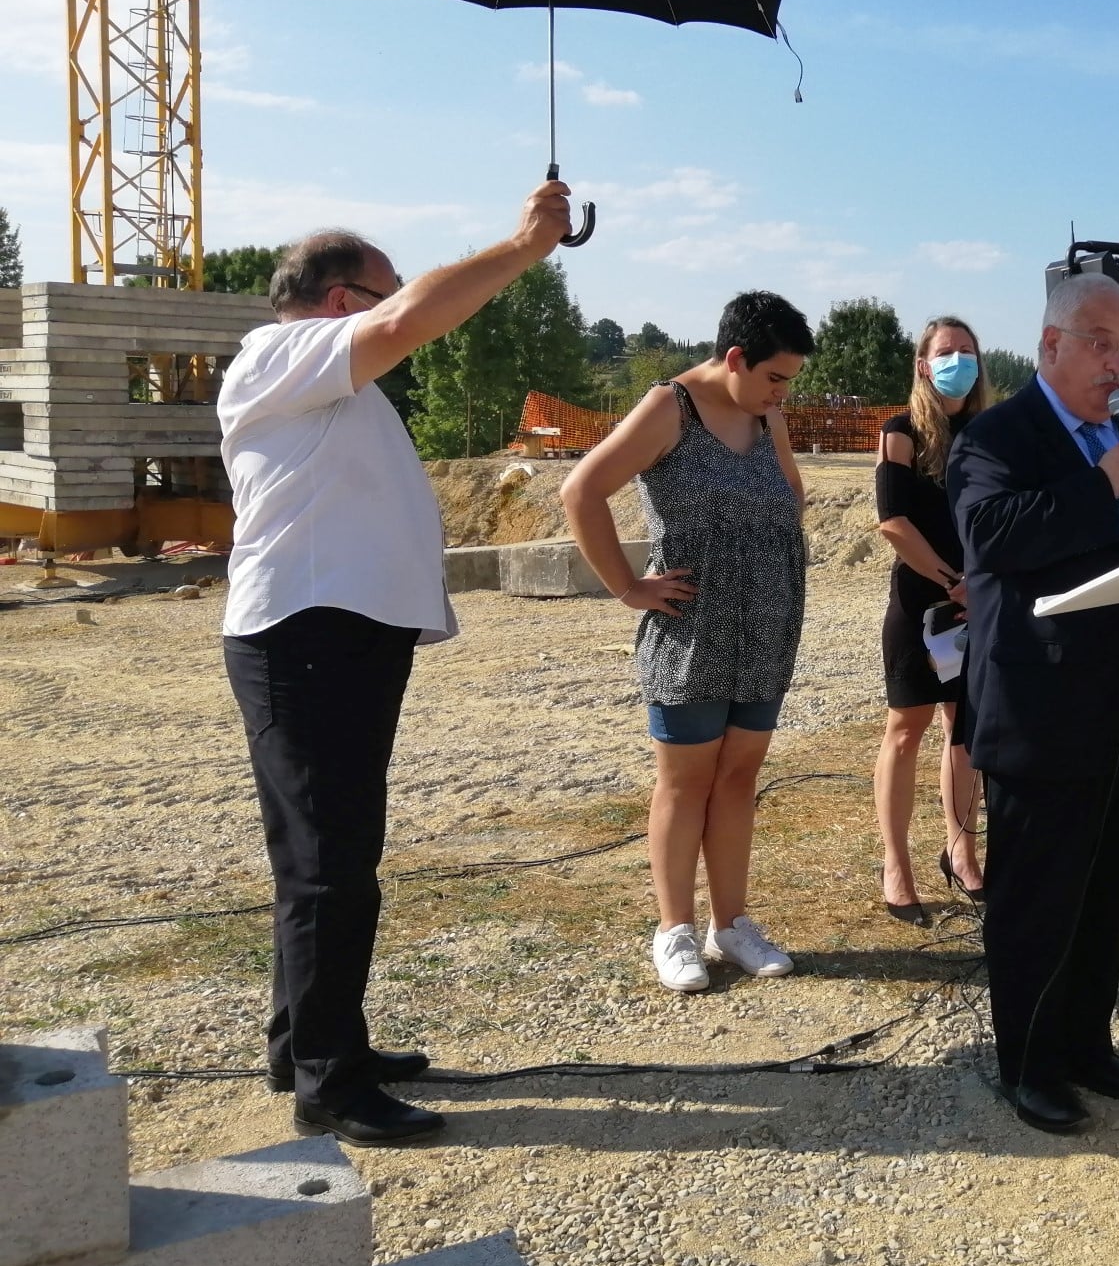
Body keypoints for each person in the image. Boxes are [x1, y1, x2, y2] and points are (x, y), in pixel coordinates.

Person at [219, 180, 575, 1145]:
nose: (403, 308)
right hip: (306, 634)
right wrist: (523, 247)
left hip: (335, 634)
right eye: (386, 290)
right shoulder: (281, 352)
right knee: (329, 866)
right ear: (341, 301)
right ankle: (330, 1084)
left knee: (328, 858)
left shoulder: (321, 381)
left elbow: (402, 320)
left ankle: (310, 1043)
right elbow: (412, 316)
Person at [949, 273, 1119, 1135]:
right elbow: (990, 534)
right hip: (1042, 706)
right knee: (1039, 898)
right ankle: (1028, 1066)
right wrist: (1100, 485)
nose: (1117, 364)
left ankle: (1087, 1045)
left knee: (1107, 887)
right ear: (1051, 345)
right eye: (1101, 344)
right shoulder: (999, 434)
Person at [560, 292, 814, 992]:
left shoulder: (767, 413)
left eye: (789, 381)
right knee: (685, 781)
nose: (782, 393)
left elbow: (792, 494)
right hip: (693, 630)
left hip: (767, 624)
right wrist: (627, 587)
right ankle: (674, 929)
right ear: (735, 358)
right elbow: (581, 491)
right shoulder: (669, 407)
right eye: (775, 377)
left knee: (739, 777)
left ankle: (731, 925)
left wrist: (765, 550)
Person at [872, 316, 990, 925]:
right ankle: (896, 865)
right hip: (924, 605)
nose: (958, 361)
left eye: (967, 351)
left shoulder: (989, 433)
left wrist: (984, 584)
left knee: (963, 732)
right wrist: (952, 581)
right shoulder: (901, 434)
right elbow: (893, 521)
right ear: (923, 365)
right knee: (906, 728)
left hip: (980, 605)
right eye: (946, 352)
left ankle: (961, 852)